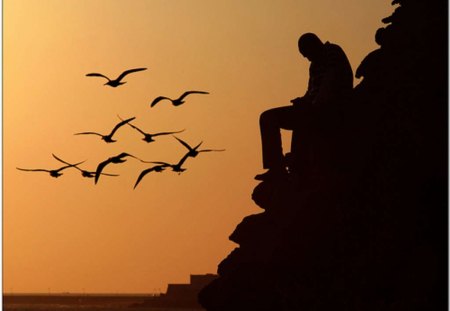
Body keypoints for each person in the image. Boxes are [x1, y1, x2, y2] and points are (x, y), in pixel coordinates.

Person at [255, 33, 353, 181]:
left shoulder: (332, 52)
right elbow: (311, 90)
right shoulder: (314, 65)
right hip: (313, 109)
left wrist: (312, 105)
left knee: (290, 118)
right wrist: (303, 100)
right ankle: (276, 167)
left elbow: (330, 83)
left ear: (314, 46)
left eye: (307, 54)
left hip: (330, 110)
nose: (307, 58)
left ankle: (291, 165)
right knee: (267, 117)